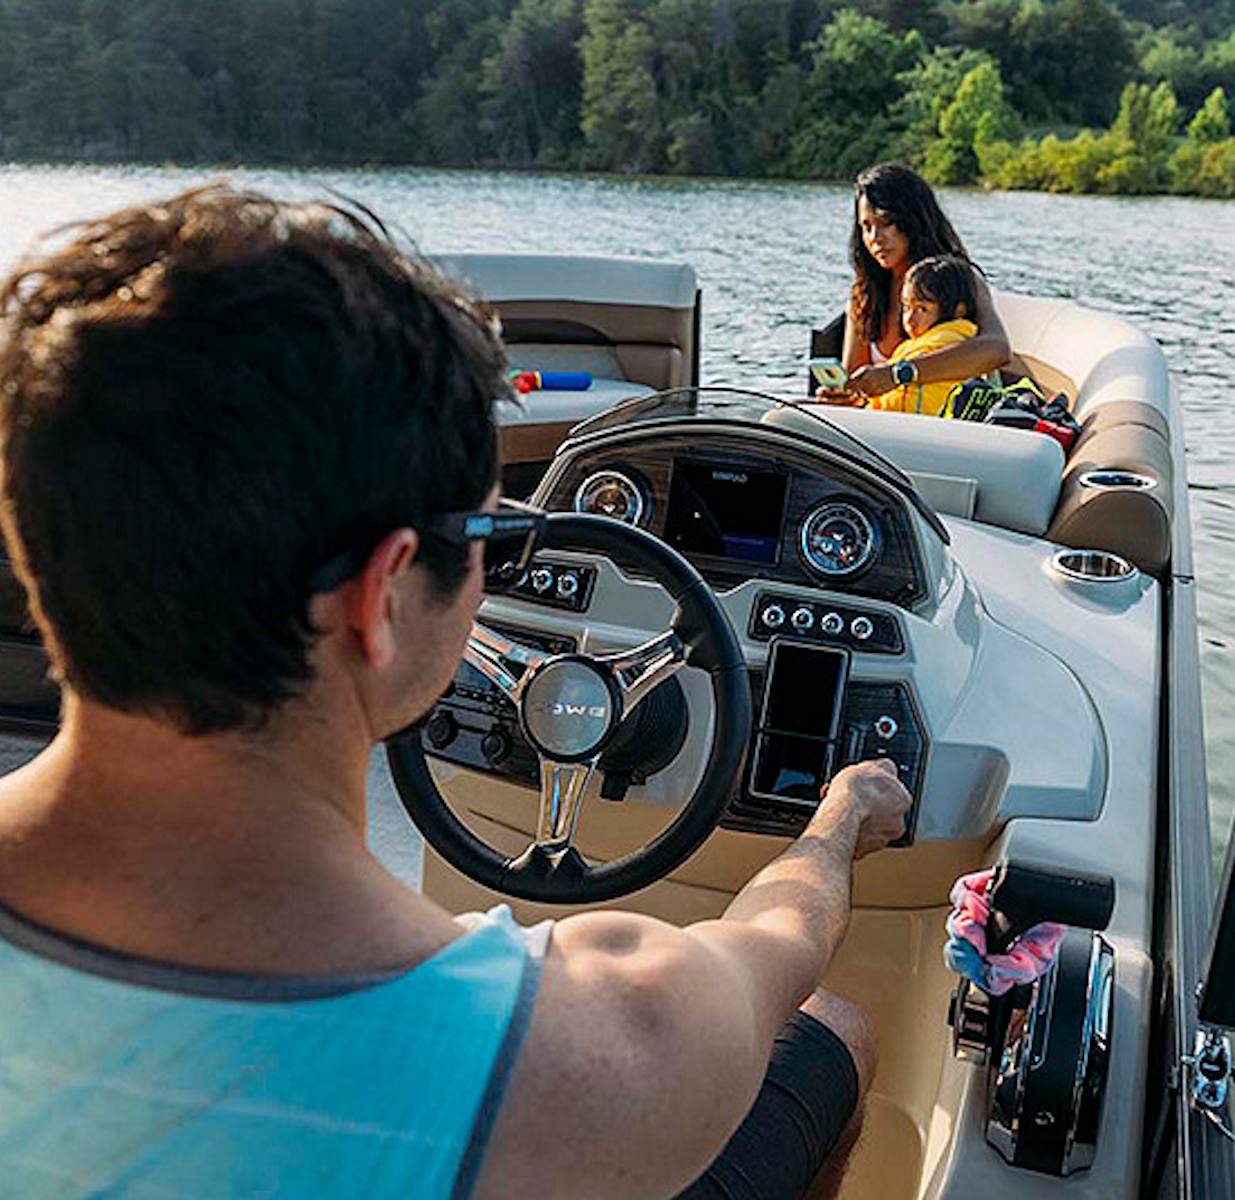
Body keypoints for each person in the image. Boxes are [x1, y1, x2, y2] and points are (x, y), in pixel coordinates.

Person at [0, 186, 912, 1200]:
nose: (491, 577)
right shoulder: (593, 1058)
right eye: (493, 538)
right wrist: (838, 822)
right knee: (833, 1030)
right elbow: (776, 948)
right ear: (384, 595)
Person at [822, 162, 1011, 405]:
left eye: (886, 222)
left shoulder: (960, 280)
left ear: (913, 220)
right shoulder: (864, 296)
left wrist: (899, 374)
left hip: (942, 424)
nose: (875, 238)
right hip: (878, 422)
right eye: (866, 227)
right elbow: (855, 394)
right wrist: (838, 396)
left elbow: (997, 349)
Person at [863, 254, 978, 416]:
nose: (910, 319)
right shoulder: (908, 346)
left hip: (919, 426)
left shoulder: (950, 340)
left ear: (958, 310)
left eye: (922, 309)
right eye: (906, 307)